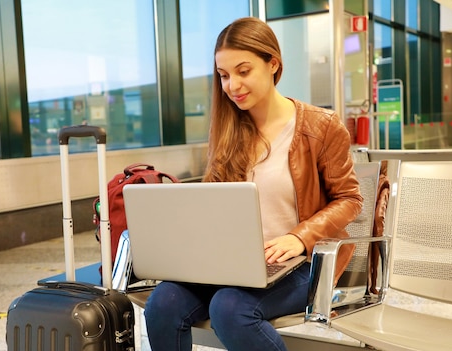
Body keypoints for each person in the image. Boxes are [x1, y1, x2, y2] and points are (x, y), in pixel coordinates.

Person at [144, 17, 363, 351]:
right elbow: (213, 203)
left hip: (301, 262)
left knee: (230, 308)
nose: (232, 85)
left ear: (273, 63)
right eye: (224, 75)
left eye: (243, 71)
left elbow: (349, 199)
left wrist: (299, 237)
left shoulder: (321, 126)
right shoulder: (227, 131)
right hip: (234, 262)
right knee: (163, 303)